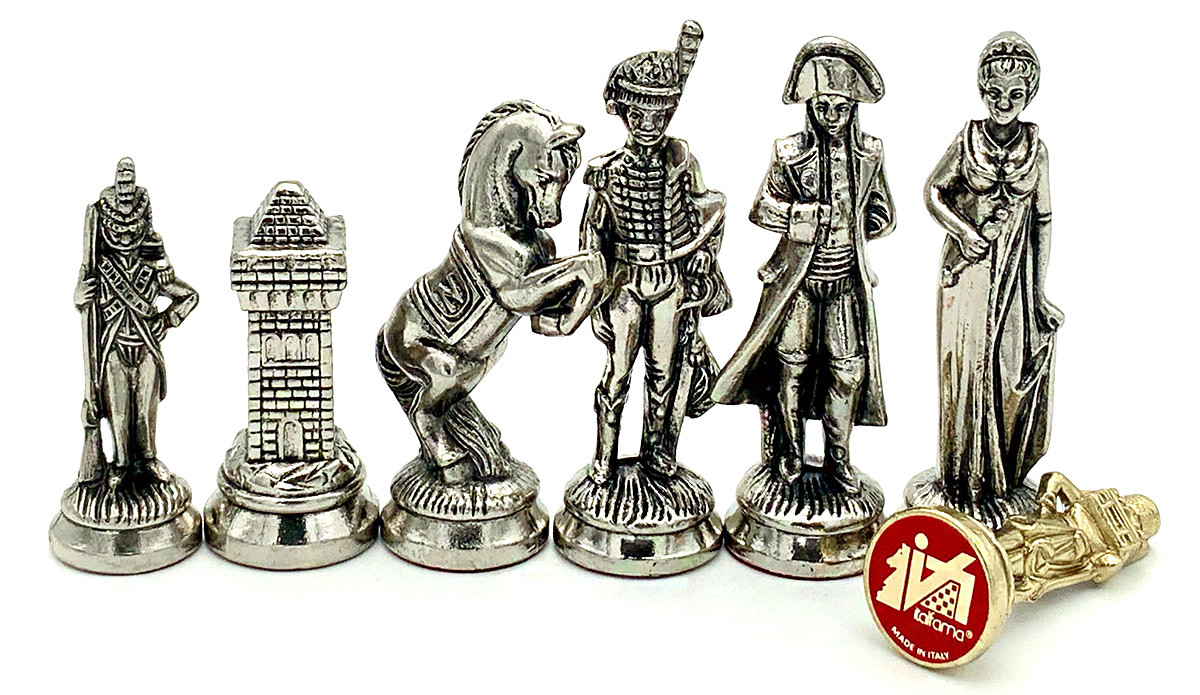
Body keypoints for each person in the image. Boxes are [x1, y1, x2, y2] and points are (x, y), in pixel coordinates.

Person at [712, 37, 894, 492]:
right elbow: (761, 208)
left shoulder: (870, 153)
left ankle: (839, 460)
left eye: (841, 108)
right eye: (823, 107)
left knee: (847, 371)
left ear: (854, 109)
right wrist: (803, 216)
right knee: (791, 366)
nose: (832, 116)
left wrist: (863, 223)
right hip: (798, 283)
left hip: (845, 280)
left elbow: (883, 211)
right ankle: (790, 453)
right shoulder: (788, 152)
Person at [581, 21, 729, 483]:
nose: (649, 126)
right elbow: (592, 238)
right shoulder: (606, 172)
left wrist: (704, 257)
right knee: (617, 374)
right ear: (624, 114)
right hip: (624, 284)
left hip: (670, 282)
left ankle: (657, 453)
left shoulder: (682, 160)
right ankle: (604, 457)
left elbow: (708, 212)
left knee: (665, 373)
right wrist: (594, 301)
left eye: (659, 117)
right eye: (639, 116)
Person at [925, 32, 1063, 508]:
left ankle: (999, 479)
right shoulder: (968, 140)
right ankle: (961, 479)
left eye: (1016, 94)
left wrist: (1039, 292)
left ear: (1030, 95)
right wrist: (963, 231)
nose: (1004, 103)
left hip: (1016, 275)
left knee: (1009, 370)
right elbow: (933, 192)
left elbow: (1043, 219)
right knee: (966, 370)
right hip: (968, 272)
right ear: (982, 90)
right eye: (995, 92)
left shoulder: (1037, 150)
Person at [74, 158, 198, 488]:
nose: (126, 235)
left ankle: (149, 460)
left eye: (132, 227)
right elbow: (82, 301)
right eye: (118, 228)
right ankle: (120, 465)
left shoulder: (154, 270)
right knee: (118, 415)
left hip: (146, 348)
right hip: (113, 348)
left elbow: (189, 297)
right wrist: (80, 296)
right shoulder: (99, 271)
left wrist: (166, 321)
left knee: (144, 415)